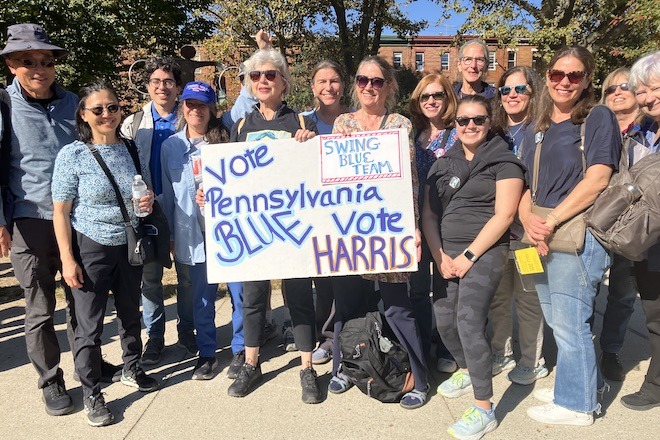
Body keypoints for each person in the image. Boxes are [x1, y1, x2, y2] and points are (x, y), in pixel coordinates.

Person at [1, 23, 120, 417]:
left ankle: (90, 365)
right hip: (30, 219)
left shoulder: (74, 103)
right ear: (11, 65)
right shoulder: (3, 106)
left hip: (76, 220)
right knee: (39, 308)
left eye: (46, 60)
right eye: (27, 61)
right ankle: (51, 381)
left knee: (82, 300)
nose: (38, 68)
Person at [207, 48, 321, 403]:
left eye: (270, 75)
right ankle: (252, 363)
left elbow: (317, 176)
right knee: (253, 298)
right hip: (253, 229)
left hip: (293, 227)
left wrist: (310, 144)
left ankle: (306, 367)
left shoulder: (302, 123)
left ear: (284, 82)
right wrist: (212, 196)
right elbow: (230, 178)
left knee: (299, 297)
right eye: (255, 76)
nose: (262, 81)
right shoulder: (241, 126)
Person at [520, 46, 621, 426]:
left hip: (576, 232)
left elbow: (598, 179)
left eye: (574, 75)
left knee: (570, 319)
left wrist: (551, 221)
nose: (564, 81)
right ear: (547, 76)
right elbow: (527, 183)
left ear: (586, 80)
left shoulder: (597, 118)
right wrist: (529, 220)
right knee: (554, 314)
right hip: (538, 233)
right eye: (558, 74)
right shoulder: (538, 125)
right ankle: (579, 383)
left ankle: (577, 406)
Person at [52, 81, 159, 427]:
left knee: (130, 311)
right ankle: (92, 393)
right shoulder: (73, 155)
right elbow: (60, 212)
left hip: (129, 242)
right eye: (97, 109)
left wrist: (146, 201)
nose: (106, 115)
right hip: (90, 246)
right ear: (83, 114)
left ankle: (132, 367)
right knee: (89, 325)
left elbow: (142, 191)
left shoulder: (130, 149)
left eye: (112, 107)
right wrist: (67, 259)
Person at [329, 55, 430, 409]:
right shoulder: (342, 123)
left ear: (388, 86)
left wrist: (413, 227)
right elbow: (329, 178)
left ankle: (419, 377)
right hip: (349, 230)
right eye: (362, 80)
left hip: (389, 228)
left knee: (398, 307)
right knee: (347, 305)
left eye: (376, 81)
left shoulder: (400, 124)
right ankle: (343, 368)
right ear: (355, 85)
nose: (369, 87)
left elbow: (411, 182)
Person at [423, 95, 525, 439]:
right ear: (455, 125)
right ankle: (468, 369)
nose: (470, 126)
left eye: (478, 120)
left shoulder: (504, 161)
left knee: (468, 321)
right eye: (463, 121)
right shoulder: (441, 164)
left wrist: (468, 257)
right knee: (443, 319)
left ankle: (484, 408)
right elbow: (429, 214)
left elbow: (505, 215)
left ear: (489, 121)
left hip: (485, 252)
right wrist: (439, 256)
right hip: (445, 254)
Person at [121, 58, 197, 364]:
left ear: (178, 88)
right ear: (148, 86)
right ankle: (154, 337)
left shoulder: (190, 118)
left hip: (185, 208)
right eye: (156, 82)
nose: (162, 87)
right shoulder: (133, 123)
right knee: (150, 279)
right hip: (148, 210)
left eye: (168, 82)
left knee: (187, 276)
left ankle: (187, 331)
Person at [161, 81, 235, 380]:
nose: (196, 110)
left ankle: (242, 348)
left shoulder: (226, 140)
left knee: (239, 292)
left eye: (202, 105)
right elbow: (167, 191)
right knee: (202, 297)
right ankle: (207, 353)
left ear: (212, 109)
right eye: (190, 104)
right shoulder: (171, 147)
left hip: (229, 232)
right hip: (194, 234)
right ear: (183, 107)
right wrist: (169, 234)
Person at [488, 66, 549, 385]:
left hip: (527, 235)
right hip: (497, 237)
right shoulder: (492, 132)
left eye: (520, 89)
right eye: (506, 91)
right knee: (498, 298)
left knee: (528, 299)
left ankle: (531, 359)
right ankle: (501, 351)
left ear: (533, 93)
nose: (512, 95)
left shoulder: (542, 130)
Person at [301, 59, 353, 365]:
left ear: (343, 86)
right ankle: (327, 337)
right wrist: (299, 143)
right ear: (313, 87)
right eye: (321, 82)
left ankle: (349, 335)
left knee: (351, 278)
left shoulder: (356, 120)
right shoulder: (303, 122)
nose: (328, 87)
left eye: (334, 81)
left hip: (351, 211)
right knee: (323, 281)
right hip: (317, 214)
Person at [408, 73, 459, 373]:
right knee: (416, 290)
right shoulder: (411, 135)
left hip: (447, 222)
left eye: (437, 95)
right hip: (414, 223)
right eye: (425, 96)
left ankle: (446, 347)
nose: (431, 101)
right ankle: (421, 343)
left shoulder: (458, 133)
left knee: (444, 288)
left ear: (447, 99)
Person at [620, 50, 660, 411]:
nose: (648, 98)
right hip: (647, 236)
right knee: (654, 313)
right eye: (642, 92)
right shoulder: (641, 131)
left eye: (654, 88)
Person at [597, 67, 643, 382]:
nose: (618, 91)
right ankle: (580, 348)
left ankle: (610, 349)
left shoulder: (649, 131)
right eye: (612, 87)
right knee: (584, 289)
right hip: (596, 219)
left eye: (625, 86)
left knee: (623, 291)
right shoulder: (598, 127)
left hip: (635, 223)